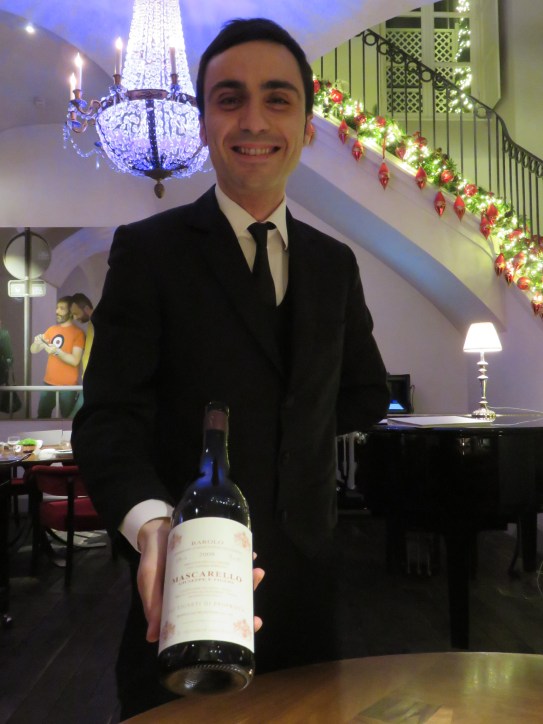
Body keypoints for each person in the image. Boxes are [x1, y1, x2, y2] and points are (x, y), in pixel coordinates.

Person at [72, 17, 389, 719]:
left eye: (277, 98)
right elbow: (108, 419)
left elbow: (364, 391)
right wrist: (153, 526)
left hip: (307, 593)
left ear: (306, 125)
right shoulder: (148, 251)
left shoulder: (334, 263)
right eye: (229, 98)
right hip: (187, 585)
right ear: (203, 122)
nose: (253, 120)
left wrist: (293, 432)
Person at [30, 296, 85, 418]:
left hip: (68, 387)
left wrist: (57, 352)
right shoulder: (52, 329)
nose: (57, 311)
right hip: (48, 383)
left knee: (67, 421)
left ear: (70, 312)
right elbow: (33, 350)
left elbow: (75, 360)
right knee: (42, 417)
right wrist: (37, 343)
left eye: (62, 308)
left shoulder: (78, 333)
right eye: (57, 308)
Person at [69, 293, 94, 418]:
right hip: (90, 380)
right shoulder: (92, 324)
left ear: (86, 308)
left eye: (76, 313)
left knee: (74, 417)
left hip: (93, 381)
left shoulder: (97, 323)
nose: (74, 318)